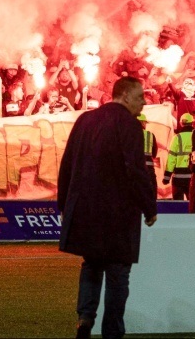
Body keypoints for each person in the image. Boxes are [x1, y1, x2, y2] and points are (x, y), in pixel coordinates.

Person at [57, 76, 159, 339]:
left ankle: (84, 318)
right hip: (118, 213)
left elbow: (67, 163)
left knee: (91, 264)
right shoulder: (130, 125)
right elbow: (136, 170)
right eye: (140, 97)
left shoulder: (84, 120)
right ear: (124, 95)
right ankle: (112, 331)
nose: (144, 103)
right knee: (118, 272)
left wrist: (64, 204)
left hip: (86, 210)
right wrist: (149, 207)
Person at [161, 113, 195, 202]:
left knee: (177, 204)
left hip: (178, 177)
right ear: (192, 123)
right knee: (193, 203)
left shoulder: (177, 138)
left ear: (181, 123)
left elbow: (171, 158)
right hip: (193, 176)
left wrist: (167, 177)